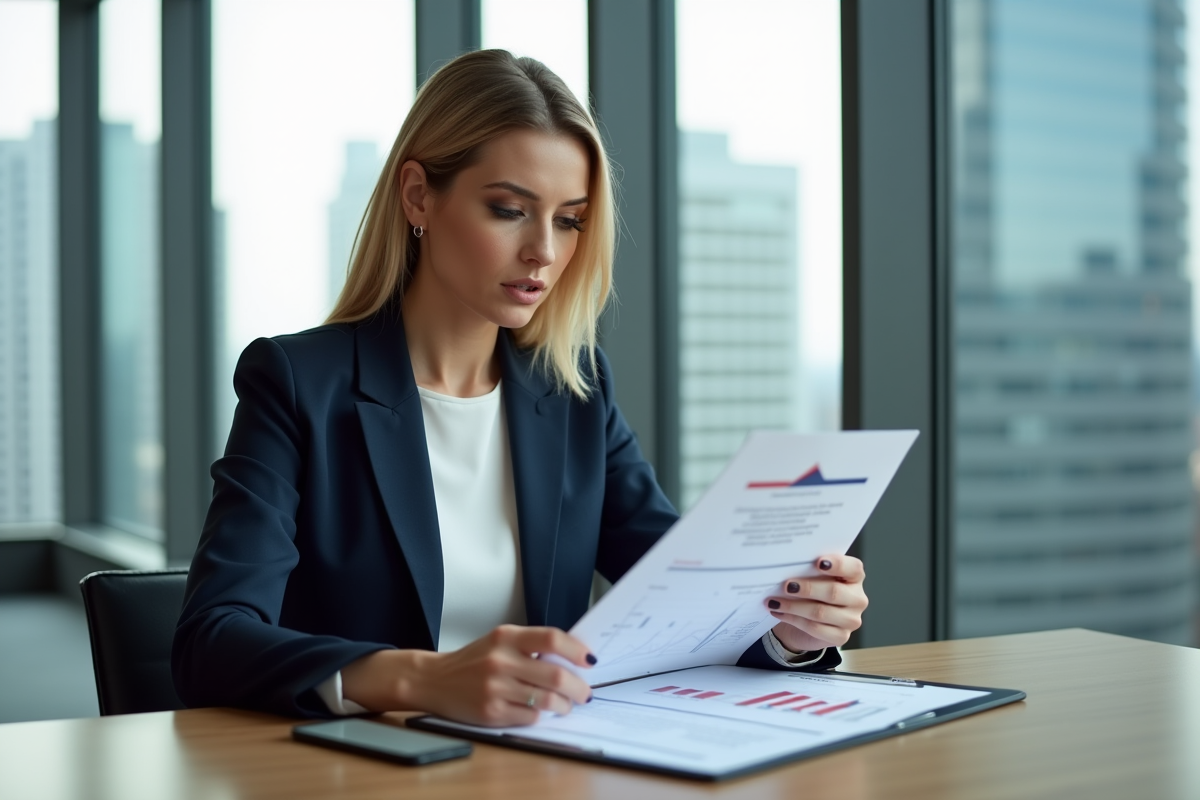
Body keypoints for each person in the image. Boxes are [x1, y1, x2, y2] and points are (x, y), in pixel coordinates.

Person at [172, 49, 868, 727]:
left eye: (569, 220)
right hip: (365, 767)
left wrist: (789, 628)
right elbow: (211, 640)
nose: (544, 250)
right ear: (418, 195)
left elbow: (685, 602)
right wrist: (421, 678)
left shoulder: (576, 390)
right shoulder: (298, 383)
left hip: (540, 761)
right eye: (509, 209)